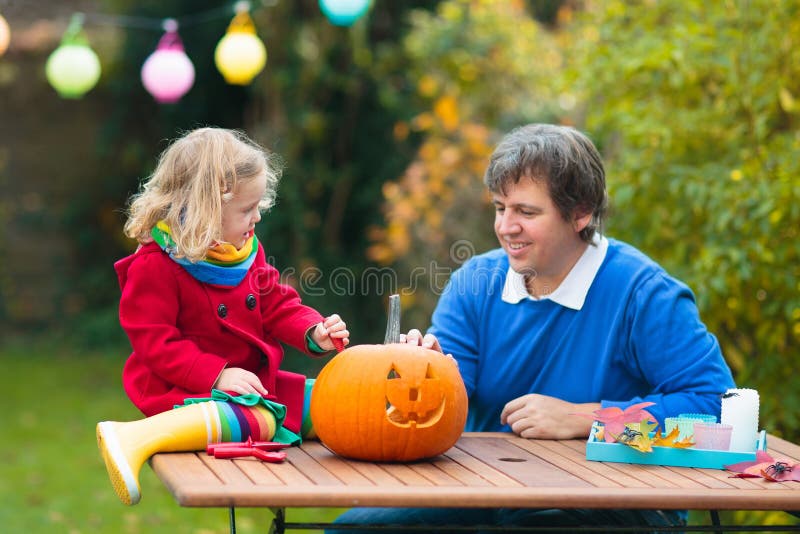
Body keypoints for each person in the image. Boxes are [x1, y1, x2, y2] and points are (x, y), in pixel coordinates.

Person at [330, 123, 735, 533]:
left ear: (581, 213)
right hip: (487, 489)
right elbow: (451, 403)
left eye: (526, 212)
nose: (506, 226)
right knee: (357, 528)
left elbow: (717, 411)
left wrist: (589, 418)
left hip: (619, 500)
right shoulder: (476, 283)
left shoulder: (644, 294)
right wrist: (426, 373)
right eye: (499, 208)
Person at [96, 127, 349, 506]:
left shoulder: (241, 249)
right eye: (247, 209)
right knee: (262, 417)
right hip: (184, 387)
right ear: (205, 208)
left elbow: (275, 301)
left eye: (258, 206)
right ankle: (132, 437)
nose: (257, 217)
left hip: (249, 385)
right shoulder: (156, 265)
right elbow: (155, 343)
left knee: (335, 401)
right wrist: (215, 373)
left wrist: (312, 330)